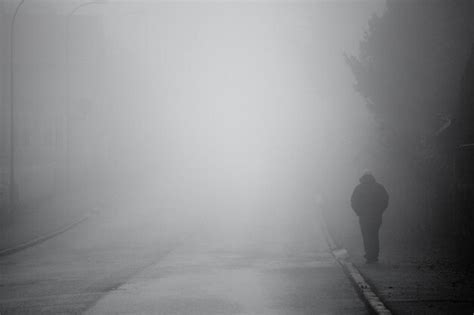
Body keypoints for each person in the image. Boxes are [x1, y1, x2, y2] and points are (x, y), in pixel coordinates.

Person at [351, 170, 389, 263]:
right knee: (374, 235)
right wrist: (380, 211)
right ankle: (374, 255)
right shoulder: (379, 187)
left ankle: (369, 255)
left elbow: (353, 202)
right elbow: (385, 200)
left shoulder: (359, 188)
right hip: (376, 217)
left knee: (366, 236)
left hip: (364, 217)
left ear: (363, 178)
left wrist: (358, 212)